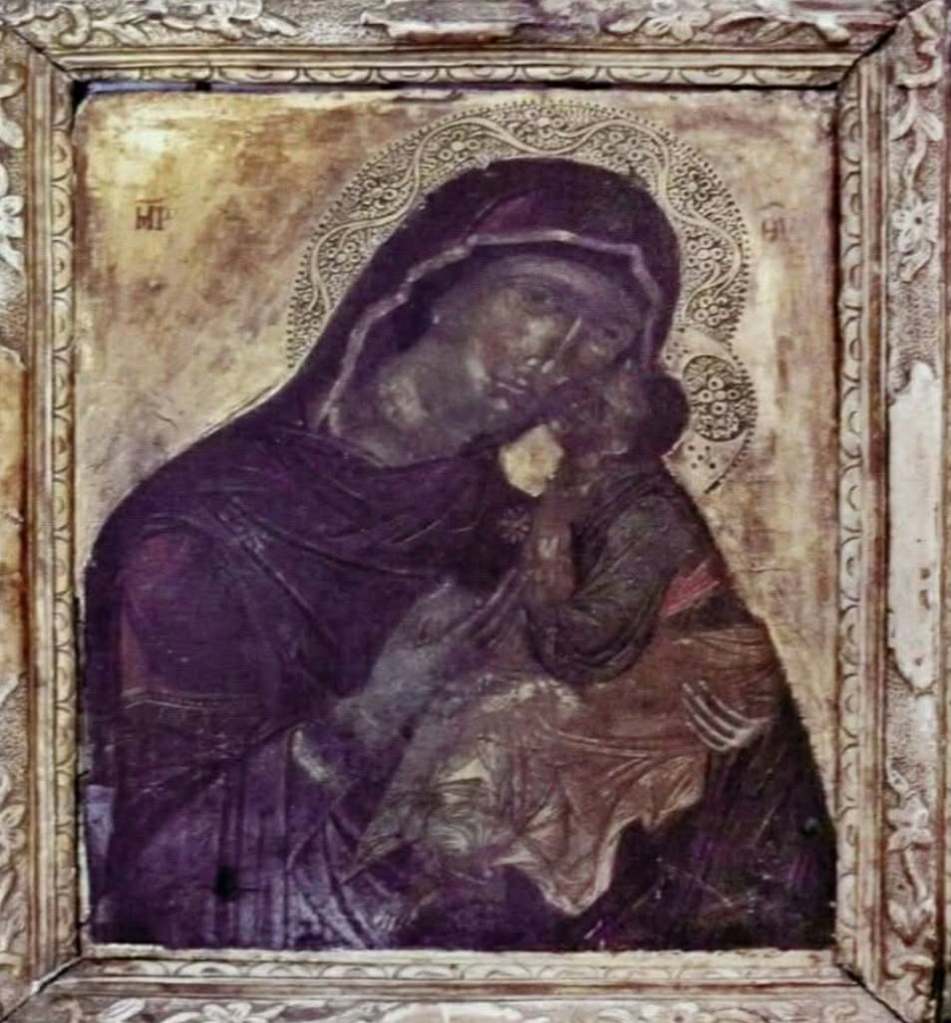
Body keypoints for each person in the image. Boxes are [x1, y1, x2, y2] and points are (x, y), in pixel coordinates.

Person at [82, 158, 682, 949]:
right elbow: (153, 877)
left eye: (603, 335)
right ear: (435, 286)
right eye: (540, 299)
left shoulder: (537, 538)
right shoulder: (204, 528)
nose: (557, 355)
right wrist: (368, 717)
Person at [341, 368, 835, 951]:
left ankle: (477, 876)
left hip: (686, 685)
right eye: (585, 391)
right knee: (457, 684)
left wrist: (542, 581)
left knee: (503, 719)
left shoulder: (648, 513)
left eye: (600, 404)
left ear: (623, 437)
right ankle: (439, 867)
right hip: (626, 673)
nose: (576, 401)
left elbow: (591, 646)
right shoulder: (578, 484)